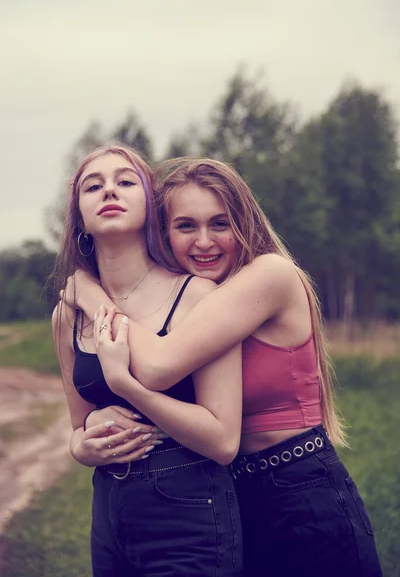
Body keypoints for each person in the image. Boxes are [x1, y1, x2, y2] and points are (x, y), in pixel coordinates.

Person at [67, 156, 383, 577]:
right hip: (227, 494)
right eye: (185, 226)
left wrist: (92, 297)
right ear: (162, 233)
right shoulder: (193, 301)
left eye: (220, 224)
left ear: (245, 225)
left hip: (297, 488)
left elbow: (158, 367)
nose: (203, 242)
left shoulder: (269, 276)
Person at [52, 146, 243, 577]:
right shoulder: (66, 315)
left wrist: (127, 385)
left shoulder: (196, 295)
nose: (109, 191)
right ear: (79, 217)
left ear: (149, 203)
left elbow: (223, 441)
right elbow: (79, 429)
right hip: (110, 513)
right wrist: (81, 448)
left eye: (125, 181)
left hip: (191, 508)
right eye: (93, 185)